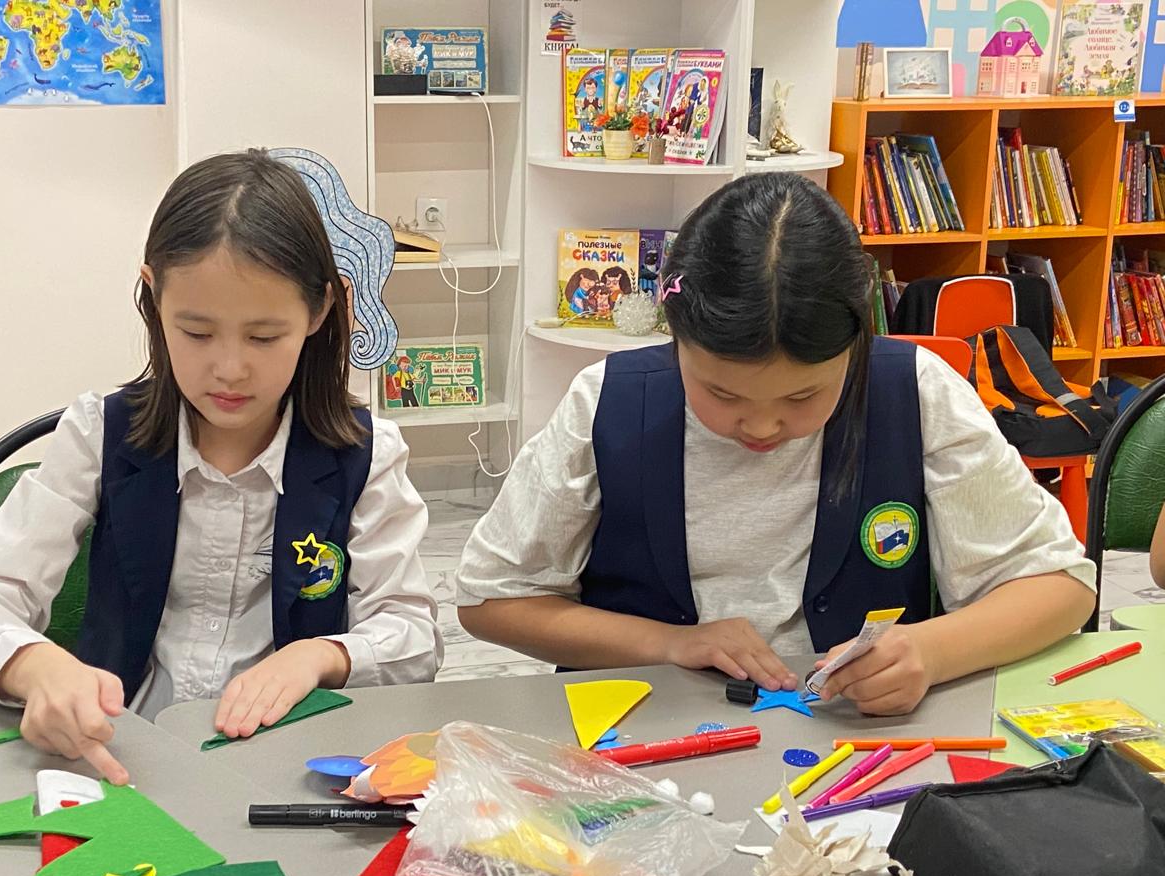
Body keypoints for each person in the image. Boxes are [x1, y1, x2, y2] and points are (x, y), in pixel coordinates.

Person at [457, 173, 1094, 716]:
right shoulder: (609, 403)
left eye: (802, 397)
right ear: (674, 338)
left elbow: (1061, 587)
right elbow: (491, 599)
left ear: (856, 346)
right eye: (722, 393)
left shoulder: (914, 393)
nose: (762, 428)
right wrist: (669, 644)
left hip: (855, 743)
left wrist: (932, 650)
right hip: (645, 737)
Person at [0, 149, 442, 782]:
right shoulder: (98, 434)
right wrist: (35, 667)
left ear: (319, 311)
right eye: (196, 333)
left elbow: (414, 638)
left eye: (264, 337)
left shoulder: (365, 455)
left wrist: (321, 656)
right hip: (121, 754)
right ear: (153, 297)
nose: (229, 369)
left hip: (289, 763)